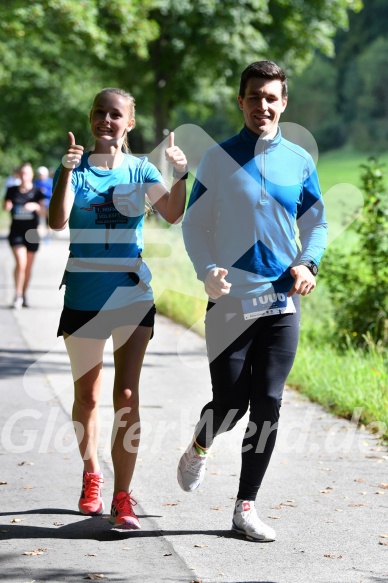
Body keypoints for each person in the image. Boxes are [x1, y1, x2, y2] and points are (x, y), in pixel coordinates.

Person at [178, 61, 328, 542]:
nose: (262, 105)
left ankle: (246, 507)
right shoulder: (218, 160)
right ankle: (200, 444)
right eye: (253, 96)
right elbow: (194, 225)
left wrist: (308, 263)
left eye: (271, 97)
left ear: (283, 102)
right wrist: (207, 272)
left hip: (281, 302)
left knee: (267, 402)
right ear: (240, 101)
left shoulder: (300, 161)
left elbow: (316, 224)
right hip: (230, 302)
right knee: (229, 404)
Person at [49, 87, 187, 530]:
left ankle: (123, 497)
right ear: (91, 119)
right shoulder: (75, 167)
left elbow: (171, 213)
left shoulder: (141, 169)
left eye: (115, 115)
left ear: (129, 124)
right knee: (87, 396)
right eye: (99, 113)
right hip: (84, 295)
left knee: (126, 395)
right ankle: (92, 473)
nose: (106, 120)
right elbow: (57, 220)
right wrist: (64, 174)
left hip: (130, 293)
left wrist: (182, 175)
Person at [3, 162, 46, 309]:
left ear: (31, 175)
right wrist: (7, 206)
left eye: (26, 173)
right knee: (21, 263)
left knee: (27, 267)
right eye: (21, 173)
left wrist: (35, 206)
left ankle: (23, 294)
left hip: (32, 233)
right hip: (17, 232)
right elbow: (5, 205)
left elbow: (44, 212)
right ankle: (17, 295)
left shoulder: (37, 191)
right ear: (18, 175)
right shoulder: (12, 190)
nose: (24, 176)